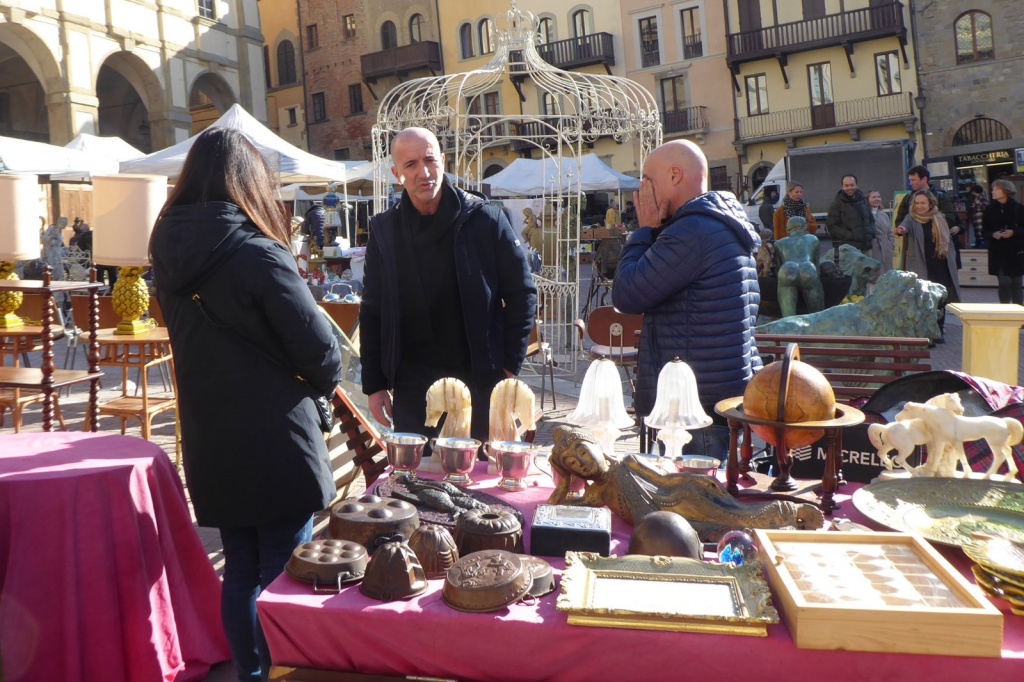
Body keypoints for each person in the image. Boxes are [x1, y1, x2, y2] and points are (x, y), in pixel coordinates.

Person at [149, 127, 342, 682]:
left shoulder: (164, 251)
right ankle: (279, 672)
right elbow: (323, 353)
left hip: (211, 437)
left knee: (240, 572)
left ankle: (251, 674)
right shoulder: (258, 252)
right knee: (283, 575)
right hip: (276, 439)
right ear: (250, 182)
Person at [360, 127, 537, 446]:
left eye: (429, 160)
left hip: (479, 380)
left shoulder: (486, 219)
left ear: (443, 160)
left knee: (479, 483)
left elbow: (522, 293)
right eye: (411, 165)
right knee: (415, 483)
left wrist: (510, 365)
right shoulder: (385, 232)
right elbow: (372, 310)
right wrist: (374, 384)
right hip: (412, 386)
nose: (423, 172)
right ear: (396, 173)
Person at [612, 139, 762, 459]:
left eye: (648, 180)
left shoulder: (693, 231)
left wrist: (644, 231)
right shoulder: (722, 223)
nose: (642, 190)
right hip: (718, 397)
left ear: (675, 175)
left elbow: (627, 293)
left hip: (695, 409)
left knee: (694, 502)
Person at [896, 189, 960, 340]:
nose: (919, 206)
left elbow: (957, 226)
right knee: (923, 299)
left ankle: (939, 330)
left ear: (930, 203)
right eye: (917, 203)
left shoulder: (940, 217)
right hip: (920, 264)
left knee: (939, 298)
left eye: (923, 203)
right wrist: (901, 230)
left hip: (940, 263)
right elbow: (903, 227)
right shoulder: (910, 218)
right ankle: (926, 332)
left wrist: (959, 228)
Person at [897, 164, 963, 266]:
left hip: (941, 249)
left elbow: (950, 219)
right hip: (917, 249)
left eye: (914, 180)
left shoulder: (941, 196)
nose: (910, 183)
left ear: (924, 179)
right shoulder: (907, 199)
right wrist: (902, 229)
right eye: (910, 180)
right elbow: (900, 221)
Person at [981, 179, 1024, 305]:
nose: (992, 192)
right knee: (1004, 282)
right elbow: (984, 231)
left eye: (996, 189)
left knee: (1016, 284)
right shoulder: (989, 210)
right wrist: (993, 234)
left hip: (1016, 251)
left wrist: (1013, 232)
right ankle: (1005, 311)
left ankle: (1019, 316)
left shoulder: (1019, 208)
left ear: (1005, 191)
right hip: (998, 252)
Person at [774, 216, 824, 318]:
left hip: (787, 269)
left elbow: (778, 268)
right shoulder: (813, 239)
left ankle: (790, 329)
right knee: (818, 315)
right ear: (804, 227)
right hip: (808, 268)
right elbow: (817, 265)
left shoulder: (779, 243)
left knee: (788, 318)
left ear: (788, 228)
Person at [826, 174, 874, 254]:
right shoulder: (836, 204)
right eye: (846, 185)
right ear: (842, 187)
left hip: (866, 248)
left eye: (852, 185)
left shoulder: (864, 201)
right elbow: (831, 226)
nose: (849, 188)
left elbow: (871, 220)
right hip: (848, 250)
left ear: (857, 185)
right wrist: (851, 236)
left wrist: (870, 233)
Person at [866, 189, 896, 273]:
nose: (877, 199)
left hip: (886, 247)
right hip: (874, 246)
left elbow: (889, 231)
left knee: (887, 272)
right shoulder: (865, 214)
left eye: (878, 197)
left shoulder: (884, 215)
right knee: (876, 273)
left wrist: (891, 244)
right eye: (873, 197)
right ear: (868, 199)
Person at [968, 183, 988, 248]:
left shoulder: (982, 197)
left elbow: (984, 207)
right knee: (977, 232)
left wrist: (975, 206)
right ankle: (978, 244)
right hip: (976, 218)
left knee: (980, 232)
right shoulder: (978, 197)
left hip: (980, 217)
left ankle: (982, 245)